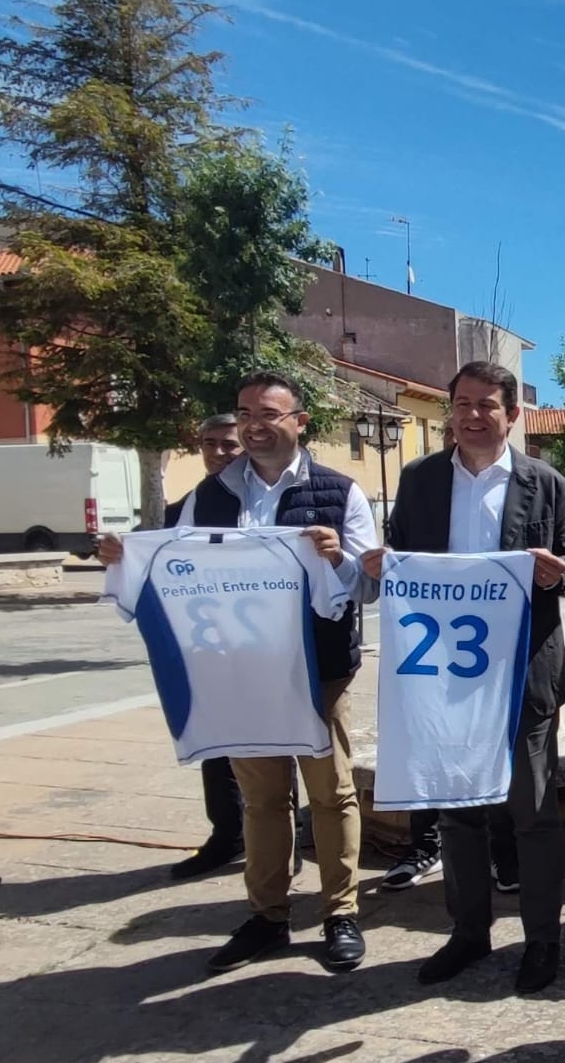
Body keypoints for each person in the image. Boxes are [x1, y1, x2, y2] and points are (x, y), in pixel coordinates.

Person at [112, 374, 378, 976]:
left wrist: (338, 556)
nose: (254, 423)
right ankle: (267, 916)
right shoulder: (207, 496)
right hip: (237, 672)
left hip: (317, 669)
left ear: (300, 421)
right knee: (260, 800)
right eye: (244, 413)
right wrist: (122, 558)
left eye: (269, 412)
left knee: (330, 793)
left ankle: (340, 912)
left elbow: (370, 582)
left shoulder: (339, 492)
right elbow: (170, 564)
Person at [362, 360, 565, 995]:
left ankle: (542, 939)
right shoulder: (420, 480)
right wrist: (384, 564)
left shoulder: (545, 483)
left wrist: (558, 572)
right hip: (443, 679)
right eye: (461, 403)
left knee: (534, 814)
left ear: (512, 415)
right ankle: (467, 932)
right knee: (457, 812)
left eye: (487, 404)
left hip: (521, 676)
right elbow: (401, 554)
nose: (471, 414)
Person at [160, 415, 247, 882]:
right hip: (207, 647)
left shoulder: (260, 500)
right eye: (209, 444)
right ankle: (228, 834)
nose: (218, 453)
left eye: (228, 445)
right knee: (215, 744)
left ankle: (283, 837)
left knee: (278, 746)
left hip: (266, 646)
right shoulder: (183, 510)